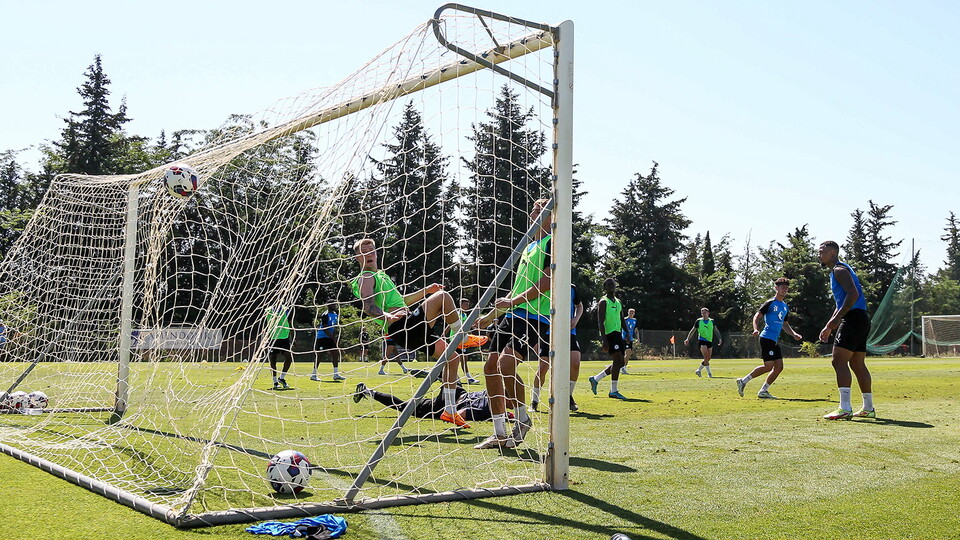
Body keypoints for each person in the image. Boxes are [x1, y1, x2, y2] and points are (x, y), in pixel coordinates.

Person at [351, 238, 470, 428]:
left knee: (452, 358)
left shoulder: (381, 276)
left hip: (408, 328)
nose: (369, 254)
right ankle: (463, 337)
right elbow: (368, 305)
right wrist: (387, 316)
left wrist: (426, 290)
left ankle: (449, 411)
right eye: (364, 252)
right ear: (358, 257)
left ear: (376, 252)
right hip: (400, 326)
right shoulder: (366, 277)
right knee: (443, 297)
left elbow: (401, 301)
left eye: (371, 250)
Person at [473, 198, 551, 449]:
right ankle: (499, 432)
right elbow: (515, 292)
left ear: (551, 216)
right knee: (490, 367)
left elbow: (547, 282)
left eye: (539, 211)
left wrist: (513, 300)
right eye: (533, 211)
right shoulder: (528, 248)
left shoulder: (553, 244)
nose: (533, 215)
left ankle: (522, 419)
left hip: (534, 317)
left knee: (506, 364)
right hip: (512, 316)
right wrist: (489, 317)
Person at [818, 240, 875, 420]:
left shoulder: (839, 270)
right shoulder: (842, 269)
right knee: (857, 364)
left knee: (838, 361)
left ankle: (844, 408)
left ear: (832, 253)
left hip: (853, 318)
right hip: (861, 318)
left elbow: (853, 294)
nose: (819, 255)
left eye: (822, 252)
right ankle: (868, 408)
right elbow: (843, 300)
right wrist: (830, 324)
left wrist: (836, 320)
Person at [736, 278, 803, 399]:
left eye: (786, 288)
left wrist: (793, 334)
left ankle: (763, 391)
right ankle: (743, 381)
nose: (785, 290)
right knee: (768, 366)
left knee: (779, 367)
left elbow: (785, 324)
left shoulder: (784, 307)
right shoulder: (770, 302)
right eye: (782, 287)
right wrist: (755, 328)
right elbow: (757, 315)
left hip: (774, 340)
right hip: (766, 337)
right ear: (776, 288)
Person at [531, 284, 584, 412]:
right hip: (548, 333)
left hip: (569, 333)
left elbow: (579, 306)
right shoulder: (545, 286)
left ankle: (568, 396)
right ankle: (534, 401)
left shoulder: (572, 287)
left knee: (575, 362)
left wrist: (576, 319)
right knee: (543, 367)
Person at [353, 382, 513, 423]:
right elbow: (460, 414)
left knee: (452, 380)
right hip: (444, 406)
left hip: (457, 392)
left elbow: (503, 411)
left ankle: (441, 374)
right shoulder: (486, 410)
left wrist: (507, 415)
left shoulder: (489, 393)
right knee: (404, 407)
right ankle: (368, 391)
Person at [589, 278, 628, 400]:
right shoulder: (603, 301)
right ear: (604, 287)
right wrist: (604, 339)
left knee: (621, 362)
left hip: (618, 334)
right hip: (610, 334)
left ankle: (596, 379)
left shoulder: (618, 302)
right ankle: (613, 390)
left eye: (613, 284)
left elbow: (622, 319)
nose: (611, 286)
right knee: (618, 360)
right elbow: (600, 322)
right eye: (609, 284)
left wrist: (627, 332)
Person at [684, 307, 722, 377]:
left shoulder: (712, 321)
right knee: (706, 356)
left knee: (708, 358)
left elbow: (716, 330)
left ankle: (698, 370)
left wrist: (720, 338)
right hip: (702, 340)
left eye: (704, 312)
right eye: (702, 313)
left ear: (708, 313)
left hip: (709, 341)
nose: (703, 314)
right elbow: (693, 330)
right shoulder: (699, 321)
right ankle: (709, 373)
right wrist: (687, 339)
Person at [311, 303, 343, 381]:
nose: (335, 306)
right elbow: (325, 328)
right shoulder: (325, 314)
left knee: (335, 353)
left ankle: (336, 374)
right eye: (333, 305)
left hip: (330, 337)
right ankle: (313, 375)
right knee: (320, 355)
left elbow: (334, 327)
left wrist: (334, 337)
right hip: (323, 337)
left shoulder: (335, 314)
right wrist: (332, 337)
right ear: (329, 306)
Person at [265, 305, 294, 390]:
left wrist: (293, 338)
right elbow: (265, 325)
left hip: (284, 337)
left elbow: (290, 323)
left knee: (289, 357)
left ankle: (281, 378)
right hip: (273, 338)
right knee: (273, 360)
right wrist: (265, 338)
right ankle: (275, 382)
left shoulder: (286, 309)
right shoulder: (268, 310)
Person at [458, 298, 481, 384]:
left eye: (468, 304)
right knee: (461, 358)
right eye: (466, 304)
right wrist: (444, 334)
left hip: (463, 339)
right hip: (456, 339)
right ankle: (469, 378)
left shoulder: (465, 315)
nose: (467, 306)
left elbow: (467, 327)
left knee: (463, 358)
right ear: (461, 304)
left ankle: (465, 377)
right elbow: (450, 325)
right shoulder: (457, 313)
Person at [621, 308, 638, 375]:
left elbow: (635, 330)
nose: (631, 313)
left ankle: (622, 366)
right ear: (628, 312)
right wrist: (625, 337)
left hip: (630, 339)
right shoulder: (625, 319)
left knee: (629, 354)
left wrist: (636, 338)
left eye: (632, 312)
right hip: (624, 338)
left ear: (634, 313)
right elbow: (621, 328)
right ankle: (622, 367)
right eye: (630, 312)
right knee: (627, 353)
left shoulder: (635, 320)